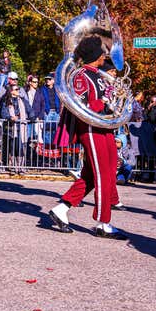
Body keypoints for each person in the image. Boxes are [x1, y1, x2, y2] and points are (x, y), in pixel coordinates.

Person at [48, 36, 126, 240]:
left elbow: (106, 98)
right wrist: (104, 103)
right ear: (96, 55)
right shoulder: (80, 75)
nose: (105, 55)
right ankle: (103, 222)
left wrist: (115, 102)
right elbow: (82, 105)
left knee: (93, 176)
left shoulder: (99, 75)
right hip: (91, 129)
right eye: (102, 52)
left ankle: (61, 209)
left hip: (104, 127)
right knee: (104, 175)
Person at [0, 84, 35, 173]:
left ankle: (21, 167)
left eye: (18, 89)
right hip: (10, 129)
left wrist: (32, 117)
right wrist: (10, 117)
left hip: (21, 128)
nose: (18, 90)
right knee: (12, 148)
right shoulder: (6, 101)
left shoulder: (22, 100)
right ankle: (13, 167)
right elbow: (3, 112)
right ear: (11, 91)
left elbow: (30, 110)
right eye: (16, 89)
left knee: (21, 148)